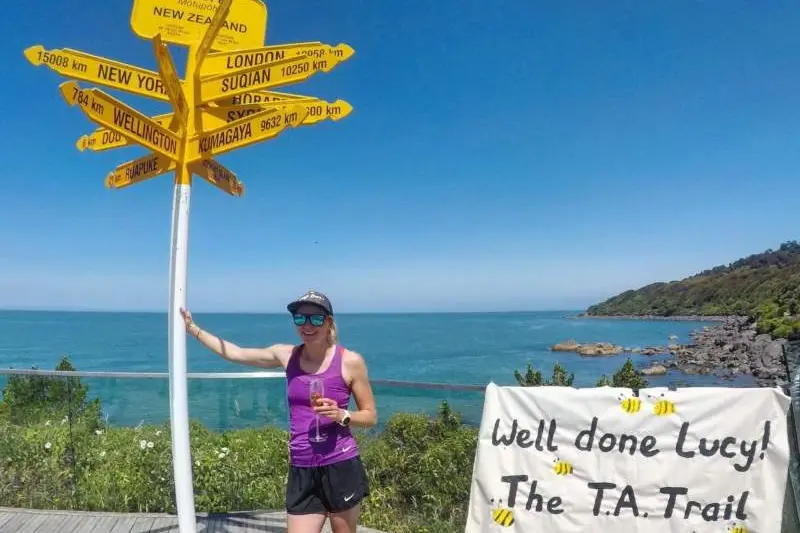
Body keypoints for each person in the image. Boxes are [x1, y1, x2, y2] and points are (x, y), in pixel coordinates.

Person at [180, 290, 377, 533]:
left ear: (328, 323)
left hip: (340, 464)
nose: (307, 325)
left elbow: (370, 415)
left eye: (316, 318)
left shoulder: (350, 361)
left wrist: (342, 415)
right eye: (300, 318)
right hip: (301, 466)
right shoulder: (287, 355)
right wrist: (193, 329)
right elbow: (235, 353)